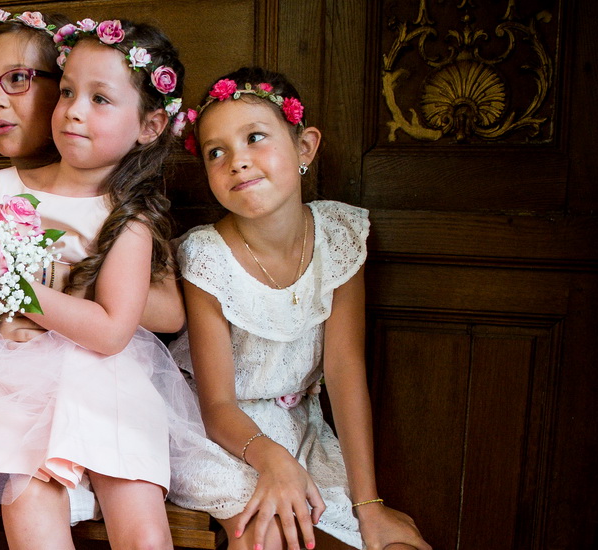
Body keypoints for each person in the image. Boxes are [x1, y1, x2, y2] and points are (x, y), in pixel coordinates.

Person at [0, 19, 201, 549]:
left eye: (99, 99)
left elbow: (113, 330)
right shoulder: (4, 186)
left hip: (97, 374)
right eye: (68, 92)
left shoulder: (128, 217)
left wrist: (15, 286)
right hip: (2, 367)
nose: (73, 110)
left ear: (151, 125)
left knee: (115, 526)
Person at [166, 67, 430, 550]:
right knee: (267, 530)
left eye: (255, 138)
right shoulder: (205, 255)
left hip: (299, 425)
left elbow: (345, 371)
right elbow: (217, 405)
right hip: (215, 432)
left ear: (304, 147)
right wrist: (271, 459)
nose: (237, 162)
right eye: (216, 152)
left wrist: (369, 504)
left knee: (384, 541)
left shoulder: (336, 236)